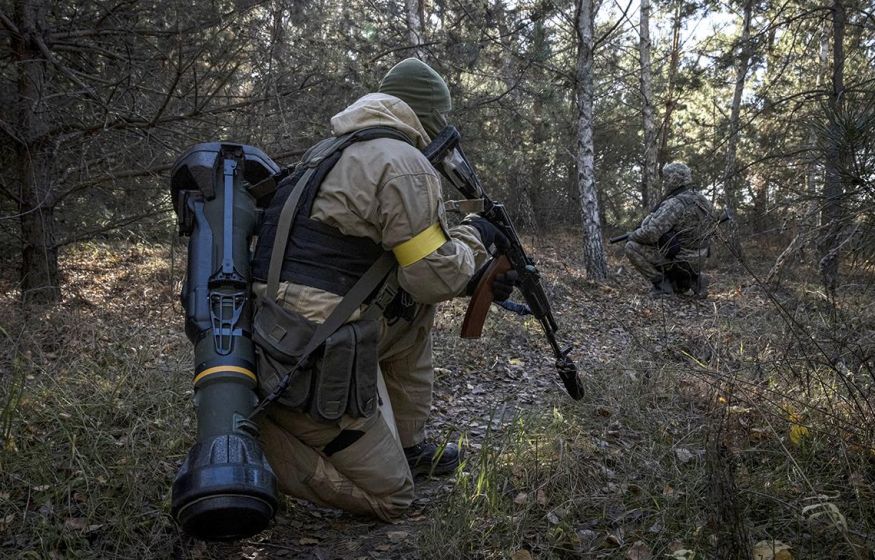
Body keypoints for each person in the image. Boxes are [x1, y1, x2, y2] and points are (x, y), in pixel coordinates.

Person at [248, 58, 516, 521]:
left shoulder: (331, 149)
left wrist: (468, 247)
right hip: (312, 349)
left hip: (286, 325)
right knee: (393, 497)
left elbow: (416, 269)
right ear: (429, 117)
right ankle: (256, 445)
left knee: (412, 314)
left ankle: (408, 445)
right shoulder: (404, 163)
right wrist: (476, 242)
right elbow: (436, 274)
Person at [624, 162, 715, 297]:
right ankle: (694, 280)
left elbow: (651, 233)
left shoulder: (675, 203)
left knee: (631, 247)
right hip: (701, 256)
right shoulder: (702, 199)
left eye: (666, 178)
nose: (664, 182)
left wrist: (632, 235)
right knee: (669, 244)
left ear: (674, 178)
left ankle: (663, 287)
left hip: (682, 258)